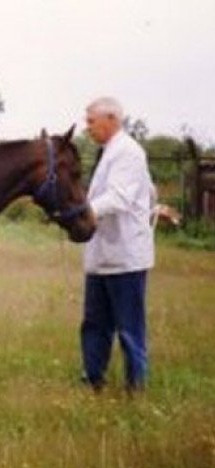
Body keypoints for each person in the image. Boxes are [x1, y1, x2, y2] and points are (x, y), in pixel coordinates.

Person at [81, 97, 156, 394]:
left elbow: (119, 198)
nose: (87, 128)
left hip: (125, 257)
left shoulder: (128, 153)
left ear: (111, 119)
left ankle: (135, 385)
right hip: (101, 256)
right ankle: (93, 378)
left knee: (129, 328)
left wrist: (80, 212)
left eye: (91, 121)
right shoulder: (108, 153)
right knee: (94, 324)